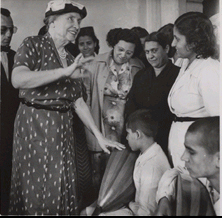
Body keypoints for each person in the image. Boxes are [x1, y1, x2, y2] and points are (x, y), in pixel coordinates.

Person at [8, 0, 124, 215]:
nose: (76, 25)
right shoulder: (33, 44)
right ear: (51, 22)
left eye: (78, 21)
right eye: (70, 19)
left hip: (62, 129)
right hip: (35, 124)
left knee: (61, 184)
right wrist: (64, 72)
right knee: (38, 187)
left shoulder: (71, 58)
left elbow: (78, 102)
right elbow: (18, 79)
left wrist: (99, 136)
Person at [85, 28, 144, 196]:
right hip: (100, 125)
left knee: (120, 172)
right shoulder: (96, 63)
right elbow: (87, 97)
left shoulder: (137, 66)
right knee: (98, 173)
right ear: (113, 46)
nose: (123, 54)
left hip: (123, 126)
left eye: (129, 52)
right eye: (120, 49)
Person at [84, 109, 171, 216]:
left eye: (128, 133)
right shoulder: (150, 151)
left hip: (140, 212)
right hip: (135, 207)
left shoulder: (151, 169)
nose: (126, 137)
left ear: (138, 135)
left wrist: (129, 204)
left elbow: (147, 212)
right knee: (86, 212)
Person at [167, 11, 220, 168]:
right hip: (180, 144)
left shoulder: (209, 70)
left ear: (193, 43)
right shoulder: (185, 63)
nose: (172, 44)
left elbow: (217, 121)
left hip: (198, 150)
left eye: (177, 39)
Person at [125, 31, 180, 160]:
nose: (150, 56)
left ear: (166, 48)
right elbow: (131, 106)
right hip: (143, 139)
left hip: (167, 136)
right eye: (147, 52)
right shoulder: (141, 75)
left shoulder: (178, 74)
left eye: (154, 51)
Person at [156, 116, 220, 216]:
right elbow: (176, 171)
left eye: (191, 152)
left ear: (219, 159)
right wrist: (164, 198)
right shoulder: (209, 179)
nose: (183, 157)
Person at [0, 8, 20, 215]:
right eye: (2, 30)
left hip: (13, 133)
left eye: (11, 30)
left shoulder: (18, 58)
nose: (8, 35)